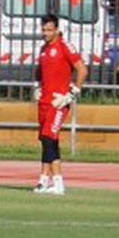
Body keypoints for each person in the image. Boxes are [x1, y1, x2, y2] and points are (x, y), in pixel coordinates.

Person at [32, 12, 88, 195]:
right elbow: (39, 71)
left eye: (49, 30)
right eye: (43, 30)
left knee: (49, 137)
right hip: (44, 101)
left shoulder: (65, 46)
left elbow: (82, 69)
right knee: (46, 140)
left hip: (58, 102)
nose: (46, 33)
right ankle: (44, 181)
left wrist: (72, 94)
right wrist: (37, 86)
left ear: (57, 30)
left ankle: (56, 181)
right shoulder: (43, 49)